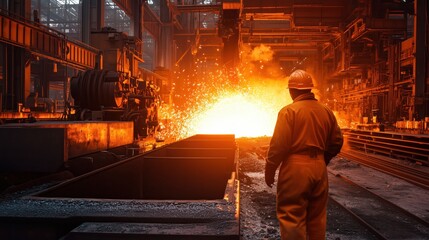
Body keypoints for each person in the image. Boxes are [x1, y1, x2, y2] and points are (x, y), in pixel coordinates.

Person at [265, 69, 343, 240]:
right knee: (317, 217)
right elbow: (337, 142)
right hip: (319, 168)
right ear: (309, 89)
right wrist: (322, 160)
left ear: (292, 91)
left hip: (295, 168)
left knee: (292, 214)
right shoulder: (326, 111)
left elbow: (279, 146)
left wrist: (270, 170)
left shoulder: (289, 111)